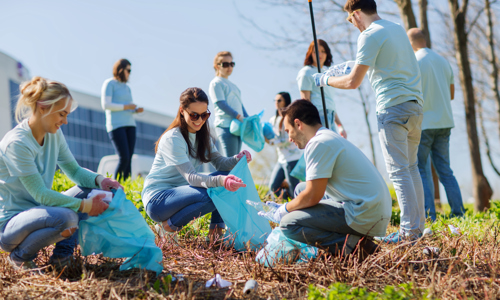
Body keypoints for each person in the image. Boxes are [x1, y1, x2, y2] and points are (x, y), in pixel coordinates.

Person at [313, 0, 424, 243]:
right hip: (415, 105)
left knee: (398, 170)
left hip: (392, 108)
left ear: (357, 14)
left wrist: (325, 81)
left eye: (350, 20)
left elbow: (353, 82)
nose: (352, 25)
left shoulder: (369, 35)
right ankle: (417, 229)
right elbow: (388, 64)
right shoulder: (395, 28)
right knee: (412, 168)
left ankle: (407, 233)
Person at [0, 77, 121, 271]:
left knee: (91, 190)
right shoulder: (17, 143)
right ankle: (20, 258)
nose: (65, 121)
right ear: (42, 107)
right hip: (12, 225)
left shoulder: (54, 134)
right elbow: (40, 193)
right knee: (67, 218)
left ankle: (61, 259)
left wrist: (101, 181)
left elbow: (73, 170)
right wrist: (86, 206)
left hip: (43, 211)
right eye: (61, 114)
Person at [269, 100, 391, 256]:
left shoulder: (318, 143)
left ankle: (355, 247)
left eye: (288, 131)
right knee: (300, 189)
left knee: (288, 224)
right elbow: (309, 192)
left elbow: (313, 196)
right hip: (371, 208)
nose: (289, 138)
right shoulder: (327, 137)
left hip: (364, 213)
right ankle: (345, 240)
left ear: (298, 124)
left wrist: (284, 209)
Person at [142, 87, 251, 241]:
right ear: (182, 111)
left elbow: (220, 164)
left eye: (204, 115)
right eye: (194, 115)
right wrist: (221, 182)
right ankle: (166, 227)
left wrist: (236, 159)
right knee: (217, 189)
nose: (199, 120)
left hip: (182, 194)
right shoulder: (173, 138)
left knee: (227, 177)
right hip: (158, 201)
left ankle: (215, 234)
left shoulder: (203, 137)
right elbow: (192, 178)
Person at [407, 28, 464, 221]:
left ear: (411, 42)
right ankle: (459, 214)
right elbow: (452, 95)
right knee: (445, 170)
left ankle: (430, 216)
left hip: (424, 124)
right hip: (445, 122)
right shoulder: (443, 61)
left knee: (421, 169)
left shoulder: (414, 62)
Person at [101, 58, 144, 180]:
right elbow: (106, 105)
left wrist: (135, 109)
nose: (129, 73)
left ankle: (126, 187)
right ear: (120, 70)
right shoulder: (109, 84)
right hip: (116, 125)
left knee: (129, 158)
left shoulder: (127, 88)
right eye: (128, 70)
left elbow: (129, 106)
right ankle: (116, 186)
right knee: (124, 157)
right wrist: (126, 106)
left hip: (130, 124)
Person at [297, 40, 346, 137]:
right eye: (316, 51)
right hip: (318, 116)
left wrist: (340, 125)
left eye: (323, 51)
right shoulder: (306, 72)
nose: (320, 54)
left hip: (330, 116)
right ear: (310, 53)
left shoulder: (328, 74)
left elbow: (329, 103)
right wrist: (311, 123)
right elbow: (305, 101)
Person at [209, 51, 249, 157]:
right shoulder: (216, 83)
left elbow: (240, 106)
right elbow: (220, 103)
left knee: (236, 161)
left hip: (238, 126)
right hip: (225, 125)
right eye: (225, 64)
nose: (229, 67)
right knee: (230, 161)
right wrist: (238, 116)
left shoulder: (234, 86)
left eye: (232, 64)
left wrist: (248, 119)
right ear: (217, 66)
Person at [266, 92, 302, 199]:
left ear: (286, 101)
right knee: (273, 187)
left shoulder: (291, 117)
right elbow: (271, 135)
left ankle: (299, 207)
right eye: (275, 100)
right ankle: (291, 202)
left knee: (294, 188)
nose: (276, 103)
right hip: (281, 159)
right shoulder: (273, 120)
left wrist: (272, 142)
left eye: (279, 100)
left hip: (292, 158)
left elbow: (288, 139)